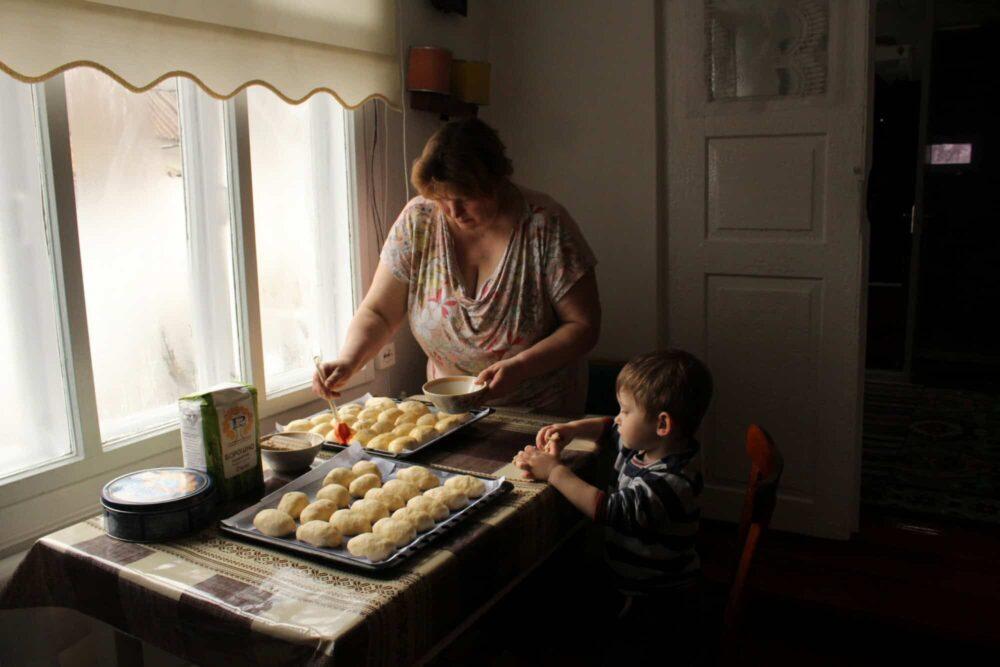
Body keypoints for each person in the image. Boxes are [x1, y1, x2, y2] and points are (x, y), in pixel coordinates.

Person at [313, 118, 600, 414]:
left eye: (464, 198)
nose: (453, 212)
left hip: (538, 410)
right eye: (442, 199)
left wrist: (520, 367)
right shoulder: (419, 220)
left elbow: (583, 326)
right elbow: (380, 312)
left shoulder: (545, 226)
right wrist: (349, 361)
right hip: (451, 408)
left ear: (496, 182)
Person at [514, 349, 712, 663]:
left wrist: (553, 471)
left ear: (662, 424)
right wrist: (574, 429)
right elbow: (609, 427)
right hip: (627, 574)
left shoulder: (671, 483)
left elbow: (609, 510)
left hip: (656, 597)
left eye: (626, 410)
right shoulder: (649, 444)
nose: (618, 417)